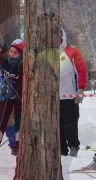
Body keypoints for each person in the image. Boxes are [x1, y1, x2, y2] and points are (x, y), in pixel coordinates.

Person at [0, 39, 24, 168]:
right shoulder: (5, 60)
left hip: (18, 99)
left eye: (15, 53)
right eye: (11, 51)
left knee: (18, 128)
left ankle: (20, 156)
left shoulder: (23, 66)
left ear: (21, 54)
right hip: (5, 96)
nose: (12, 54)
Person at [59, 28, 87, 157]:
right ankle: (61, 149)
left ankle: (73, 146)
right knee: (58, 126)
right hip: (53, 98)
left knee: (70, 124)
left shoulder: (72, 52)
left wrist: (80, 89)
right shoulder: (49, 53)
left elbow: (81, 71)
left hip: (69, 97)